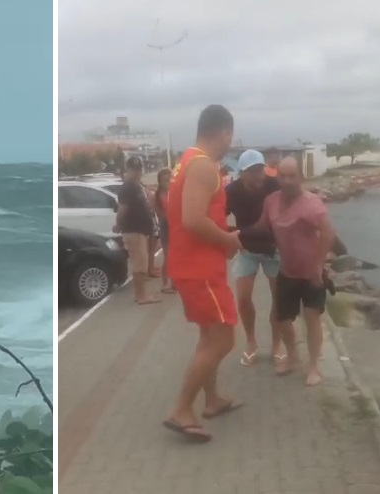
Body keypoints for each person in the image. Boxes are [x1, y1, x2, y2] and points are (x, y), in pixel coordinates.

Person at [163, 104, 243, 442]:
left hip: (191, 266)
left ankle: (212, 399)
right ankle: (182, 408)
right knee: (224, 337)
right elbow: (193, 219)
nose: (230, 141)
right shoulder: (203, 167)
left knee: (208, 336)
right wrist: (227, 239)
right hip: (201, 270)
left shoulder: (186, 160)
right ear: (224, 131)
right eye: (230, 135)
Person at [253, 156, 335, 386]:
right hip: (287, 270)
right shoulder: (271, 201)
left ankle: (313, 368)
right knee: (281, 319)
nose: (287, 180)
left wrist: (319, 265)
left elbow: (328, 233)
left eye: (292, 176)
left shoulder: (312, 203)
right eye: (283, 175)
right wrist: (234, 236)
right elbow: (261, 227)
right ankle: (293, 357)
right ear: (277, 176)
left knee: (312, 321)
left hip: (311, 274)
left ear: (301, 177)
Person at [225, 149, 284, 368]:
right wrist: (227, 238)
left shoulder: (273, 185)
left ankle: (277, 344)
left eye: (260, 170)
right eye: (252, 171)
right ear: (241, 173)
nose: (258, 176)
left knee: (279, 299)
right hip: (246, 249)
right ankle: (251, 342)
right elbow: (216, 216)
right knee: (243, 297)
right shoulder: (231, 191)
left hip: (273, 249)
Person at [115, 157, 161, 305]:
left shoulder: (137, 186)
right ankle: (141, 296)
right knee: (140, 265)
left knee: (141, 263)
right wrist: (118, 224)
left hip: (141, 230)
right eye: (134, 169)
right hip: (134, 230)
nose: (137, 172)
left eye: (139, 169)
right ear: (127, 170)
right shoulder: (127, 187)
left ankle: (142, 294)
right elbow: (122, 209)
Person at [154, 168, 175, 293]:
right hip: (166, 227)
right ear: (160, 181)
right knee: (168, 256)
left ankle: (174, 282)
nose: (168, 182)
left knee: (175, 256)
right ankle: (165, 283)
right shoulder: (158, 195)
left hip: (175, 227)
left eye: (170, 179)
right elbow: (160, 213)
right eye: (165, 180)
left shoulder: (174, 192)